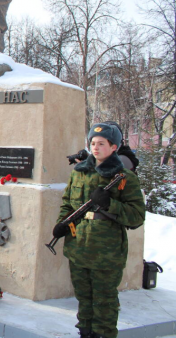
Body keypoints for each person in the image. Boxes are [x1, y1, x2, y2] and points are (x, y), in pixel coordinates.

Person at [52, 124, 145, 338]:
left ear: (113, 147)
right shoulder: (79, 172)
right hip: (79, 248)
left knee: (104, 301)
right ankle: (85, 332)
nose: (95, 147)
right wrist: (61, 224)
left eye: (101, 144)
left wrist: (110, 205)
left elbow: (137, 216)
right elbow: (68, 204)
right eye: (93, 143)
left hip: (107, 253)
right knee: (84, 298)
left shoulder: (124, 177)